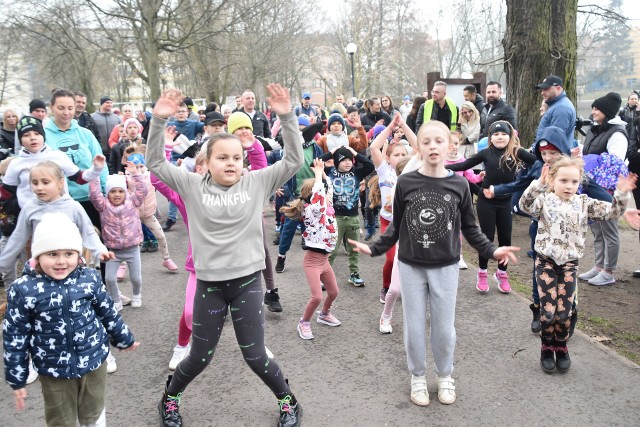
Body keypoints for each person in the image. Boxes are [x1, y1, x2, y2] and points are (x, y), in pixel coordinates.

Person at [147, 84, 302, 427]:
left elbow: (294, 159)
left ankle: (288, 400)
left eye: (236, 157)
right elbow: (155, 162)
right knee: (200, 356)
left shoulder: (256, 182)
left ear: (243, 161)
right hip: (210, 285)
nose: (230, 163)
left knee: (255, 355)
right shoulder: (191, 185)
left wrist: (286, 115)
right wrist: (158, 120)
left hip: (246, 283)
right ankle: (170, 398)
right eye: (222, 157)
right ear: (207, 162)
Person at [349, 120, 519, 407]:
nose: (432, 146)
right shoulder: (406, 182)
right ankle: (417, 377)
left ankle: (444, 376)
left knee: (443, 328)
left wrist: (491, 250)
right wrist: (376, 247)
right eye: (425, 141)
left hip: (446, 266)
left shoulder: (459, 184)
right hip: (411, 265)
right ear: (420, 147)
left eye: (438, 141)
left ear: (448, 146)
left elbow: (471, 228)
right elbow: (396, 226)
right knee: (414, 326)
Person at [3, 212, 138, 426]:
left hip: (94, 361)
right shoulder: (24, 289)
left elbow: (108, 312)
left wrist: (124, 338)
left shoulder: (89, 278)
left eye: (68, 253)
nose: (61, 261)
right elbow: (15, 336)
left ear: (78, 254)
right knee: (60, 421)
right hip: (53, 370)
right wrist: (16, 377)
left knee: (94, 414)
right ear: (37, 256)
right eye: (52, 254)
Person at [519, 157, 635, 373]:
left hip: (570, 264)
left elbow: (613, 213)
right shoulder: (544, 200)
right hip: (546, 262)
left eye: (574, 181)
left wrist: (621, 193)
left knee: (564, 312)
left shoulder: (584, 203)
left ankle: (561, 346)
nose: (569, 186)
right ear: (552, 180)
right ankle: (546, 347)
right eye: (563, 180)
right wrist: (539, 184)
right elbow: (524, 205)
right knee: (548, 311)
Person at [447, 121, 536, 293]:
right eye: (495, 134)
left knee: (505, 239)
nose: (500, 137)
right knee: (486, 238)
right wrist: (442, 167)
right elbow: (464, 165)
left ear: (510, 137)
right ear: (490, 137)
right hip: (486, 201)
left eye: (503, 134)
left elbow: (538, 161)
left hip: (505, 202)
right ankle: (482, 272)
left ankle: (502, 274)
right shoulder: (486, 153)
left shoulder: (517, 152)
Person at [280, 159, 340, 339]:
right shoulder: (313, 209)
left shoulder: (326, 206)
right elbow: (320, 194)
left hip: (324, 261)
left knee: (334, 292)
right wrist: (317, 175)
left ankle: (324, 315)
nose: (328, 196)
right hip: (313, 262)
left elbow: (327, 188)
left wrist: (321, 174)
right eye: (322, 193)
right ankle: (303, 322)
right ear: (312, 195)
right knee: (316, 297)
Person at [578, 92, 628, 286]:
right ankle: (598, 266)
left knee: (609, 230)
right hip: (589, 184)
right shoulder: (594, 129)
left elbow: (615, 163)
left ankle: (609, 271)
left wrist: (591, 163)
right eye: (593, 108)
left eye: (597, 109)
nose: (593, 112)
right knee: (597, 229)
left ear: (606, 111)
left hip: (607, 188)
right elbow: (587, 152)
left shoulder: (617, 133)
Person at [367, 113, 414, 303]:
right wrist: (390, 127)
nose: (401, 157)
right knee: (391, 258)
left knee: (410, 259)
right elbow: (373, 146)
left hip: (409, 221)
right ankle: (386, 286)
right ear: (388, 158)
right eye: (397, 154)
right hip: (388, 220)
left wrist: (403, 124)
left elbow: (418, 146)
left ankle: (407, 286)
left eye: (404, 154)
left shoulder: (412, 170)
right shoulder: (384, 169)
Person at [89, 167, 146, 312]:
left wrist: (135, 174)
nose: (116, 194)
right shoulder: (103, 205)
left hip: (132, 248)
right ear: (107, 193)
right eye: (112, 191)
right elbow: (95, 194)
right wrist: (95, 174)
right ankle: (115, 299)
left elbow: (142, 190)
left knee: (136, 278)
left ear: (125, 191)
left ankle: (137, 295)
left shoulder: (132, 202)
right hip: (113, 250)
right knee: (109, 278)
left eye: (120, 191)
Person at [320, 146, 374, 286]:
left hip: (353, 218)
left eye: (351, 160)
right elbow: (315, 163)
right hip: (335, 218)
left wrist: (355, 152)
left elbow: (370, 165)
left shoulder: (356, 172)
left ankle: (354, 274)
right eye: (344, 160)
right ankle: (325, 277)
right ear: (337, 161)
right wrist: (332, 152)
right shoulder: (329, 172)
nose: (348, 162)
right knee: (331, 250)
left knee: (354, 249)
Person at [534, 75, 576, 145]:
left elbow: (554, 140)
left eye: (546, 89)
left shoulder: (561, 108)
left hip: (553, 155)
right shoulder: (556, 106)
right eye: (542, 90)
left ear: (558, 88)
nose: (542, 93)